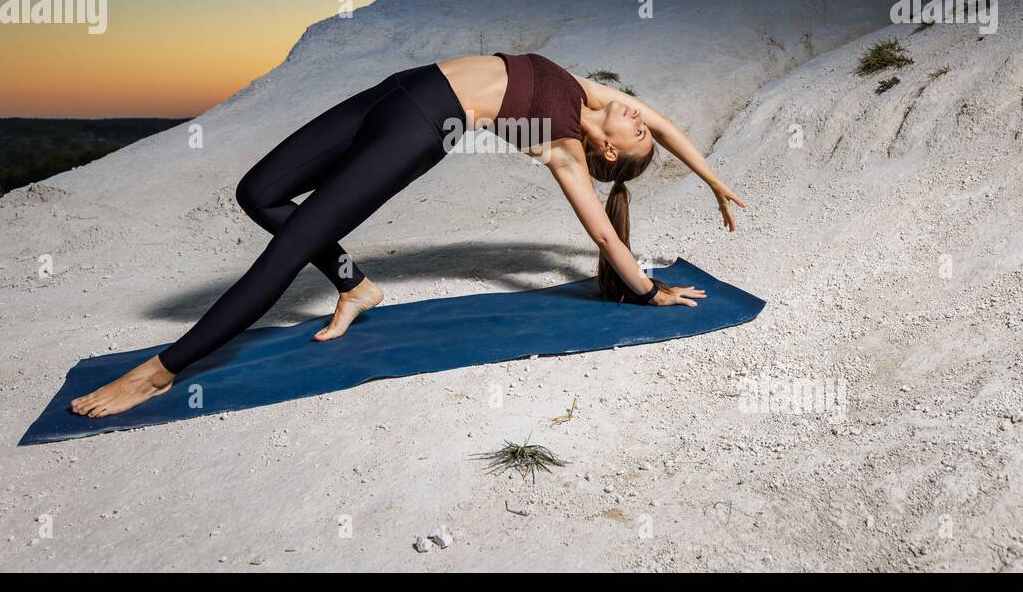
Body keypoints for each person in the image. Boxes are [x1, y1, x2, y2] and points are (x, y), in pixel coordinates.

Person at [70, 52, 746, 417]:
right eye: (644, 123)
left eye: (638, 132)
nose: (642, 117)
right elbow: (673, 129)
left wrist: (647, 289)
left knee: (288, 246)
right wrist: (714, 181)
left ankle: (161, 372)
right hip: (396, 90)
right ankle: (355, 287)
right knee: (259, 192)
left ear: (608, 155)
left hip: (417, 131)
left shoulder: (565, 148)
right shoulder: (594, 94)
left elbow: (604, 237)